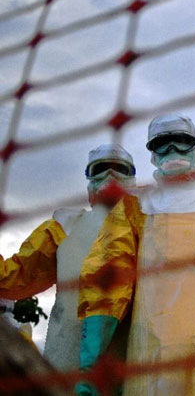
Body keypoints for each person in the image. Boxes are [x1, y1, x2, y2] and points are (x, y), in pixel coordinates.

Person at [76, 114, 195, 396]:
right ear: (152, 154)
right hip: (153, 356)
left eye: (181, 142)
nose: (172, 151)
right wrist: (89, 367)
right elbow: (109, 284)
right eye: (162, 144)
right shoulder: (136, 206)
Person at [0, 144, 136, 371]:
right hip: (68, 361)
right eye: (101, 169)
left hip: (135, 365)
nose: (110, 176)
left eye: (119, 169)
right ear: (89, 181)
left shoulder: (153, 224)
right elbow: (15, 276)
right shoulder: (64, 227)